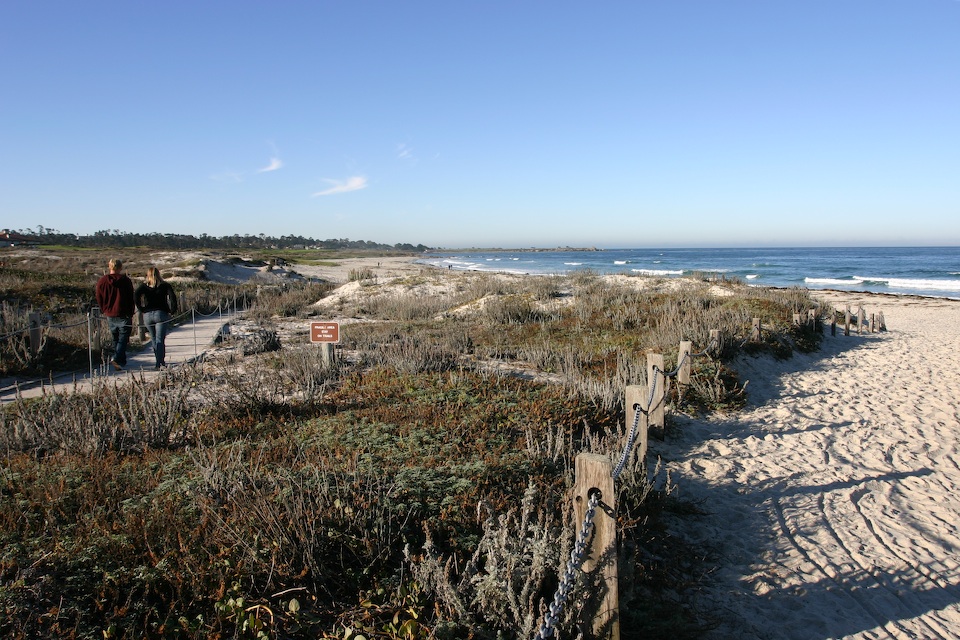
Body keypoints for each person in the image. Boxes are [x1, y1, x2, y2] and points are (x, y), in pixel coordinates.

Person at [95, 258, 135, 371]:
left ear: (110, 267)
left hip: (110, 313)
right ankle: (117, 358)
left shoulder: (102, 281)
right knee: (123, 338)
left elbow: (99, 296)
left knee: (116, 338)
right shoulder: (125, 280)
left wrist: (104, 308)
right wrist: (131, 311)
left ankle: (121, 361)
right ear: (120, 267)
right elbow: (131, 298)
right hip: (123, 313)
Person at [135, 266, 178, 369]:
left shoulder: (144, 286)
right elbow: (172, 297)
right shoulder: (164, 285)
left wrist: (141, 308)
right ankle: (160, 362)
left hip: (148, 315)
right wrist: (172, 310)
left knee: (154, 339)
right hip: (161, 313)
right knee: (160, 339)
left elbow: (136, 295)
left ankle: (158, 361)